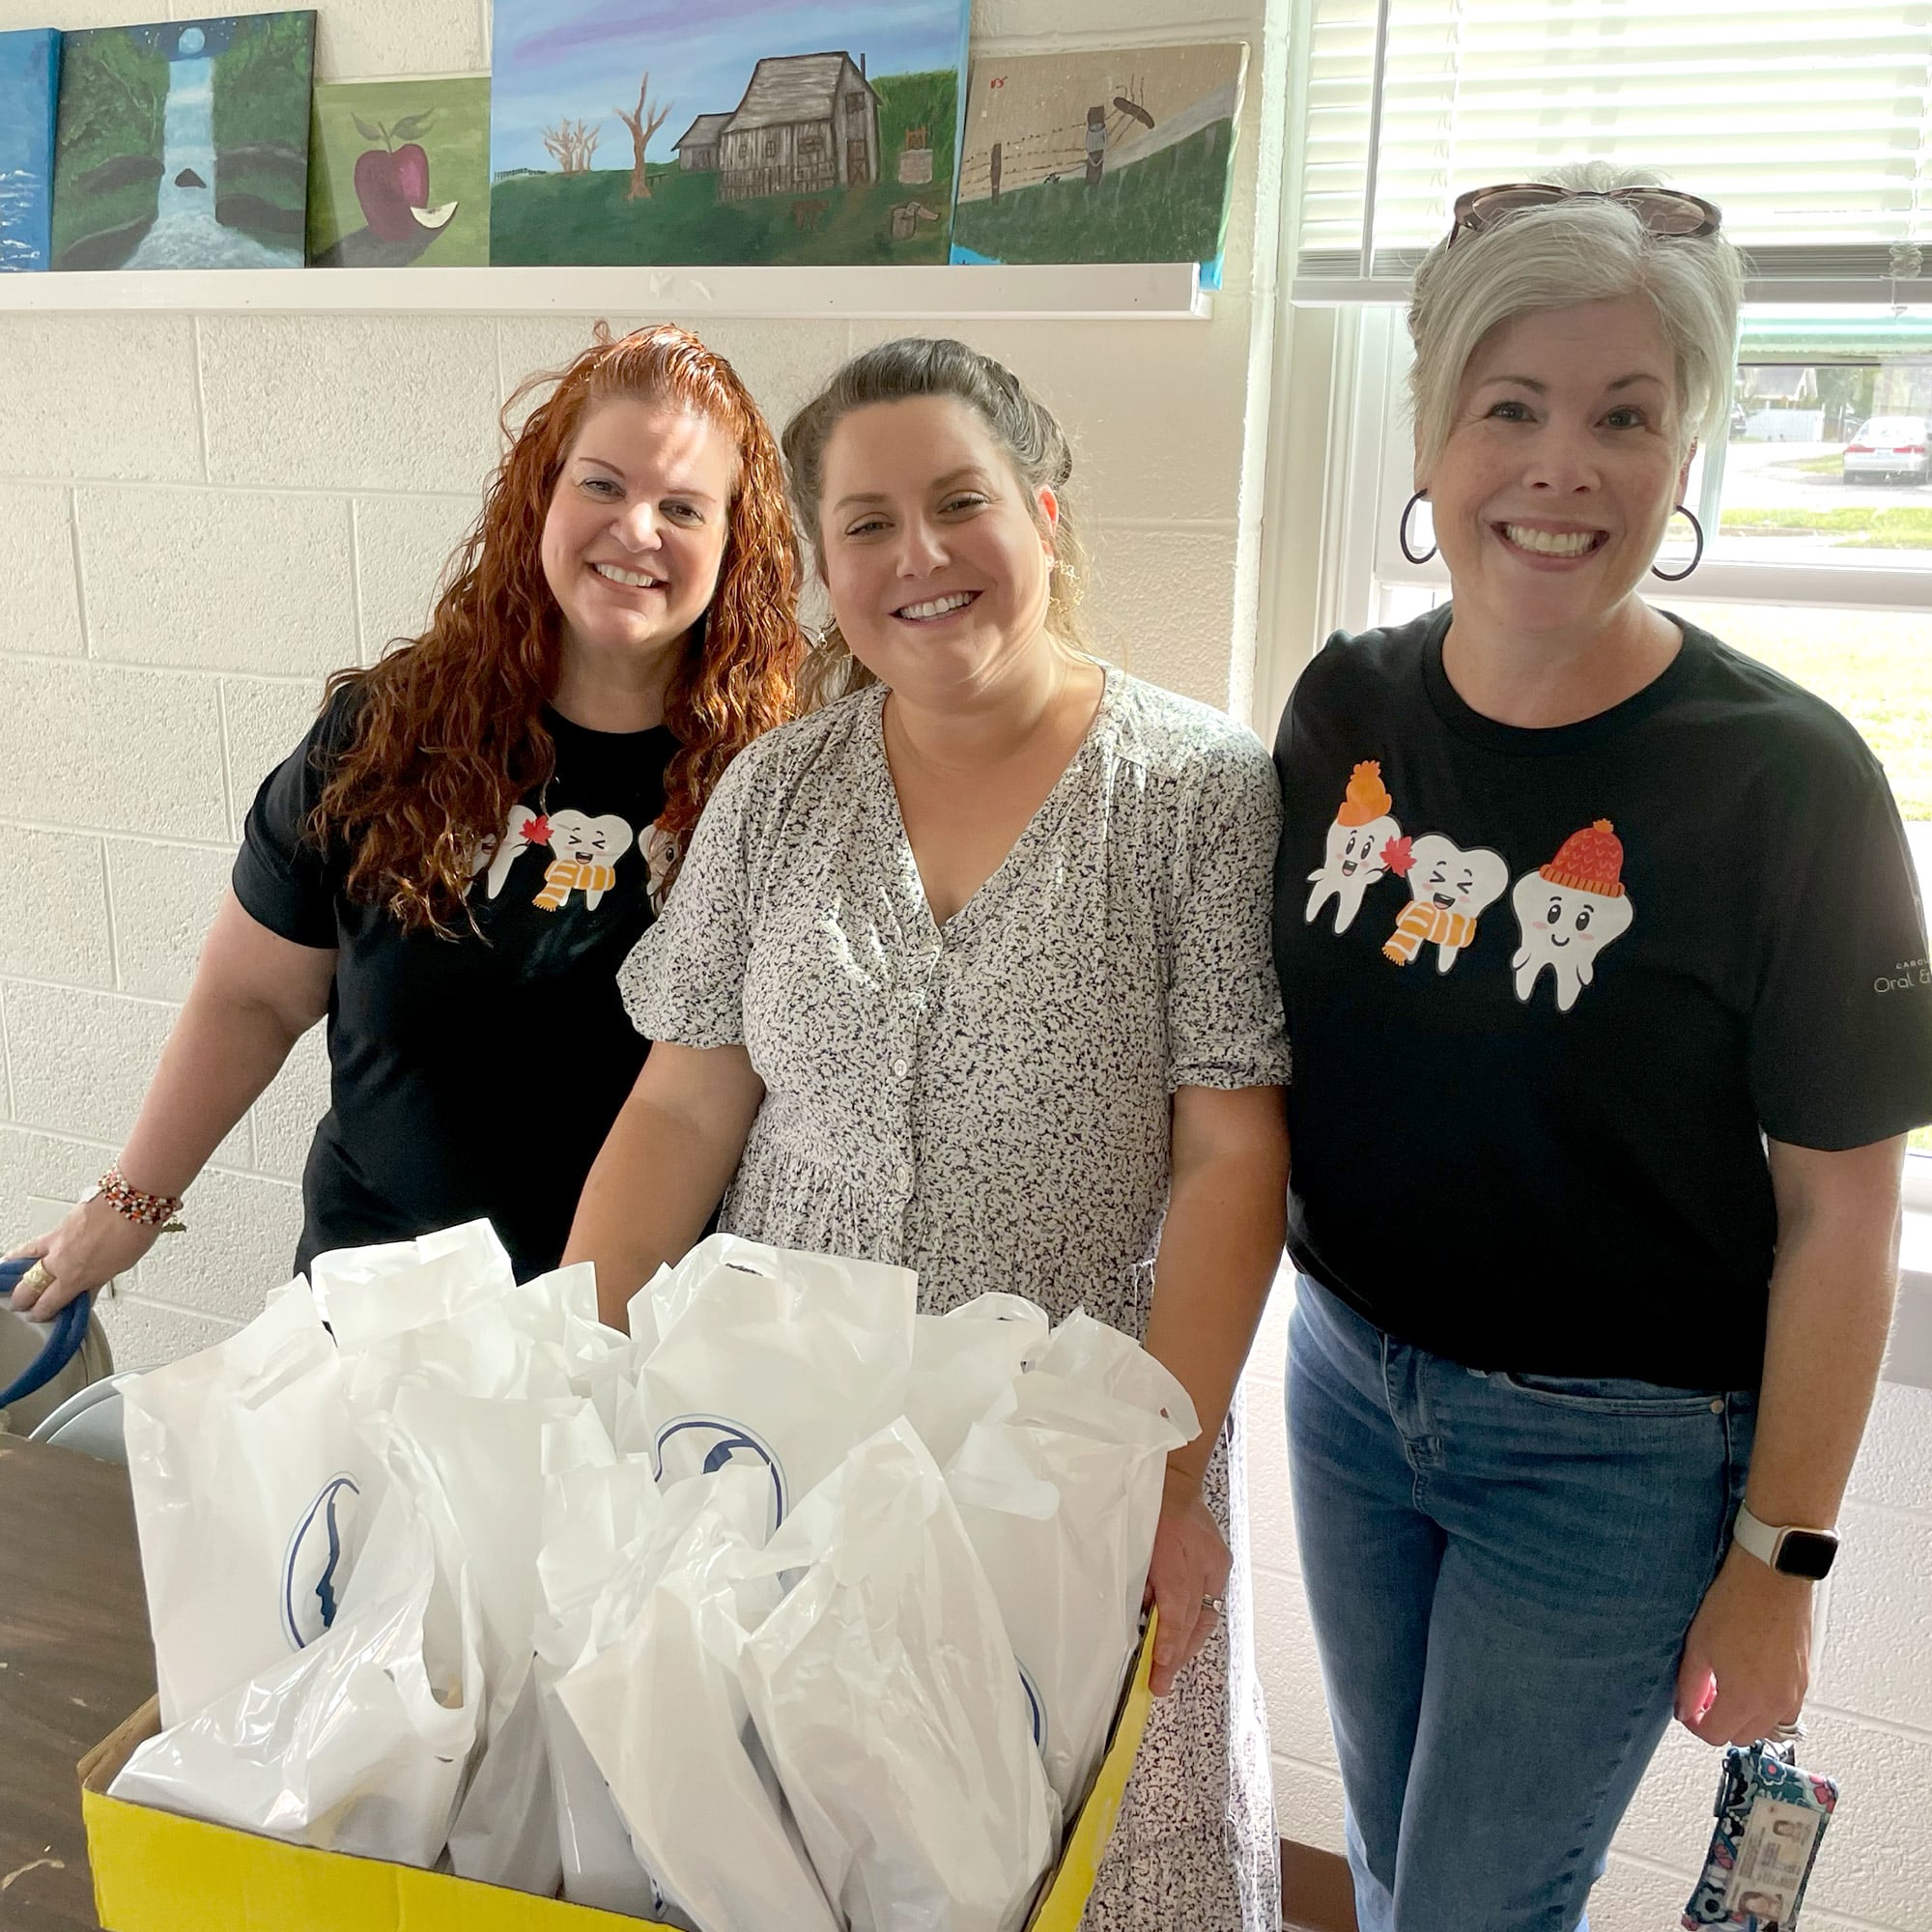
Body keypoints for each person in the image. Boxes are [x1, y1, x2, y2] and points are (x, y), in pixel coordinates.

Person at [1271, 163, 1932, 1931]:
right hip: (1346, 1386)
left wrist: (1779, 1564)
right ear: (1431, 433)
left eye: (1625, 415)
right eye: (1512, 407)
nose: (1563, 463)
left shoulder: (1792, 785)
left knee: (1478, 1908)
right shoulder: (1346, 707)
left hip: (1615, 1466)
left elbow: (1847, 1217)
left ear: (1684, 453)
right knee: (1405, 1866)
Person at [565, 336, 1292, 1929]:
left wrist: (1167, 1482)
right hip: (788, 1456)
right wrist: (579, 1380)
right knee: (787, 1853)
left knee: (1077, 1870)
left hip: (1069, 1467)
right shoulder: (775, 793)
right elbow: (683, 1105)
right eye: (868, 525)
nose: (921, 557)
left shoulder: (1199, 794)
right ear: (821, 570)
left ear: (1040, 516)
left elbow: (1236, 1156)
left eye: (961, 504)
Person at [8, 323, 804, 1319]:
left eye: (682, 506)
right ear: (540, 497)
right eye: (601, 484)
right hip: (380, 1315)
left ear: (736, 543)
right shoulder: (389, 731)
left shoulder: (776, 779)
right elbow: (254, 997)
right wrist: (131, 1200)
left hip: (654, 1332)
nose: (635, 528)